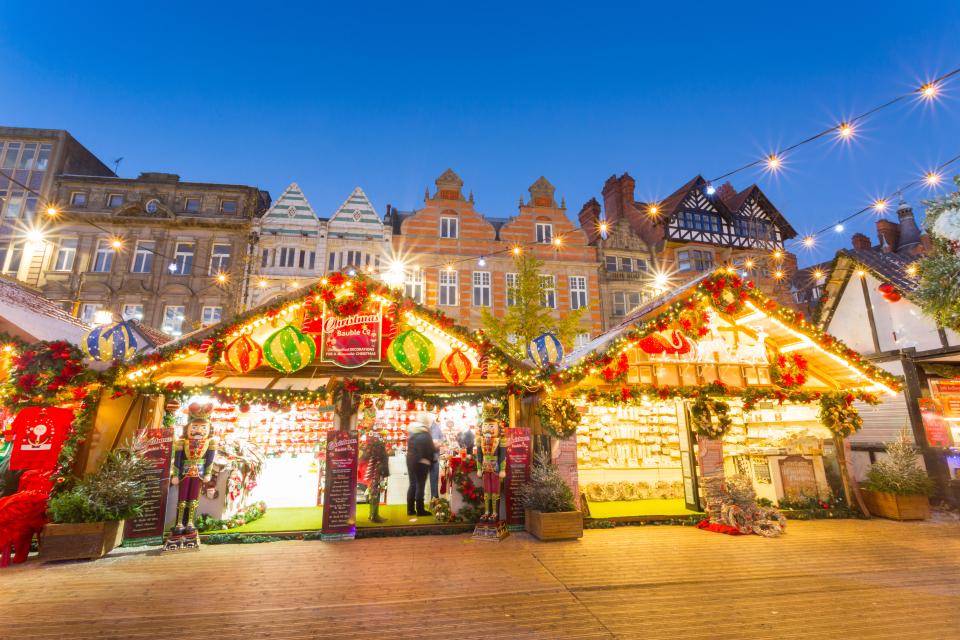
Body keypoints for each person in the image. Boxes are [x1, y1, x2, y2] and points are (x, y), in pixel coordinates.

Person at [406, 414, 436, 517]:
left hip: (410, 460)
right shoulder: (425, 433)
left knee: (412, 484)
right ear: (426, 422)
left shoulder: (412, 431)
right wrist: (433, 458)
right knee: (420, 485)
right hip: (422, 462)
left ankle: (410, 509)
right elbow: (430, 449)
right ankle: (420, 510)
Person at [428, 416, 444, 501]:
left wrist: (439, 443)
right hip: (424, 457)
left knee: (434, 479)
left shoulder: (437, 427)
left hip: (434, 457)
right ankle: (420, 504)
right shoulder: (422, 427)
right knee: (420, 481)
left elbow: (442, 438)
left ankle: (434, 499)